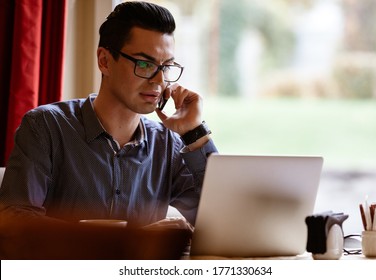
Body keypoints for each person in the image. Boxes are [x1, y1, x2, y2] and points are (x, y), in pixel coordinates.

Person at [0, 1, 217, 232]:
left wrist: (193, 131)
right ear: (104, 61)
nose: (160, 81)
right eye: (144, 64)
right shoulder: (45, 127)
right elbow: (15, 222)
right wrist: (119, 242)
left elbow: (219, 220)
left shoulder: (167, 146)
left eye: (166, 67)